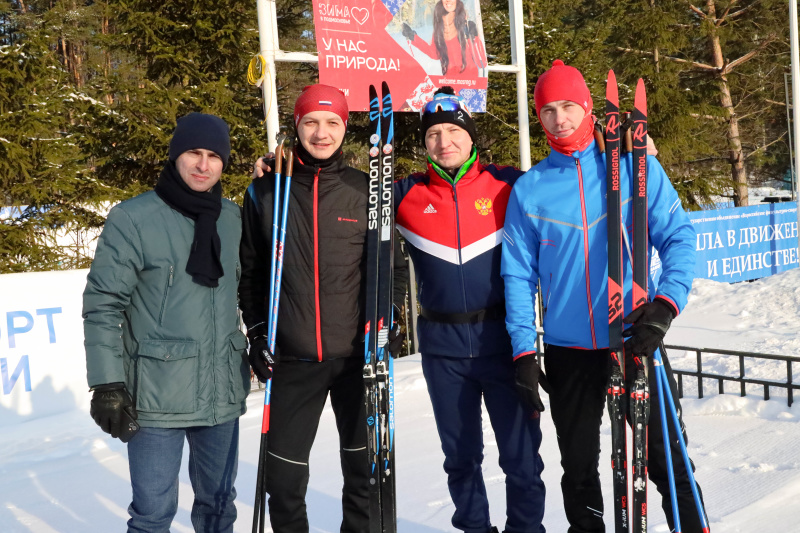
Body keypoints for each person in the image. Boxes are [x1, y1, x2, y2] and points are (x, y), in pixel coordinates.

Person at [501, 60, 707, 532]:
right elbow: (517, 277)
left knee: (665, 459)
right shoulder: (530, 190)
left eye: (569, 106)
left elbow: (679, 236)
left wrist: (666, 304)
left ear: (590, 107)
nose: (560, 119)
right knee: (578, 470)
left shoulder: (637, 167)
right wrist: (524, 351)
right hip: (569, 350)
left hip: (636, 336)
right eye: (548, 110)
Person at [240, 83, 408, 532]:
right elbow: (252, 274)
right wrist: (257, 334)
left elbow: (391, 268)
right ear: (296, 126)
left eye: (332, 122)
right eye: (311, 122)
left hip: (358, 359)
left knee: (364, 476)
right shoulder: (265, 194)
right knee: (285, 480)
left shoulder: (365, 191)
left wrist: (390, 316)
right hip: (293, 359)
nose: (321, 132)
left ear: (344, 128)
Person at [83, 112, 249, 533]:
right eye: (194, 152)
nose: (203, 164)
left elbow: (250, 291)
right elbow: (103, 304)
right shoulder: (134, 218)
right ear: (176, 155)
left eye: (214, 156)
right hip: (156, 397)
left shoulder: (232, 219)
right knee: (153, 515)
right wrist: (107, 383)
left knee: (218, 507)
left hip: (221, 392)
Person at [394, 87, 546, 533]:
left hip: (503, 344)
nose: (444, 141)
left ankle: (525, 529)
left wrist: (625, 155)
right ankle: (475, 528)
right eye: (434, 134)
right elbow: (339, 191)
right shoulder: (404, 195)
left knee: (521, 456)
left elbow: (566, 181)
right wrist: (274, 171)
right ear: (424, 143)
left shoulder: (509, 184)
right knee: (460, 458)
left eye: (454, 130)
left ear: (471, 135)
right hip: (443, 352)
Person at [402, 0, 486, 77]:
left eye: (450, 18)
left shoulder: (466, 29)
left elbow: (481, 61)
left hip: (469, 82)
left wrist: (474, 37)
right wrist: (413, 37)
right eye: (443, 19)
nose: (447, 23)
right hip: (449, 82)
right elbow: (435, 54)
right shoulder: (438, 32)